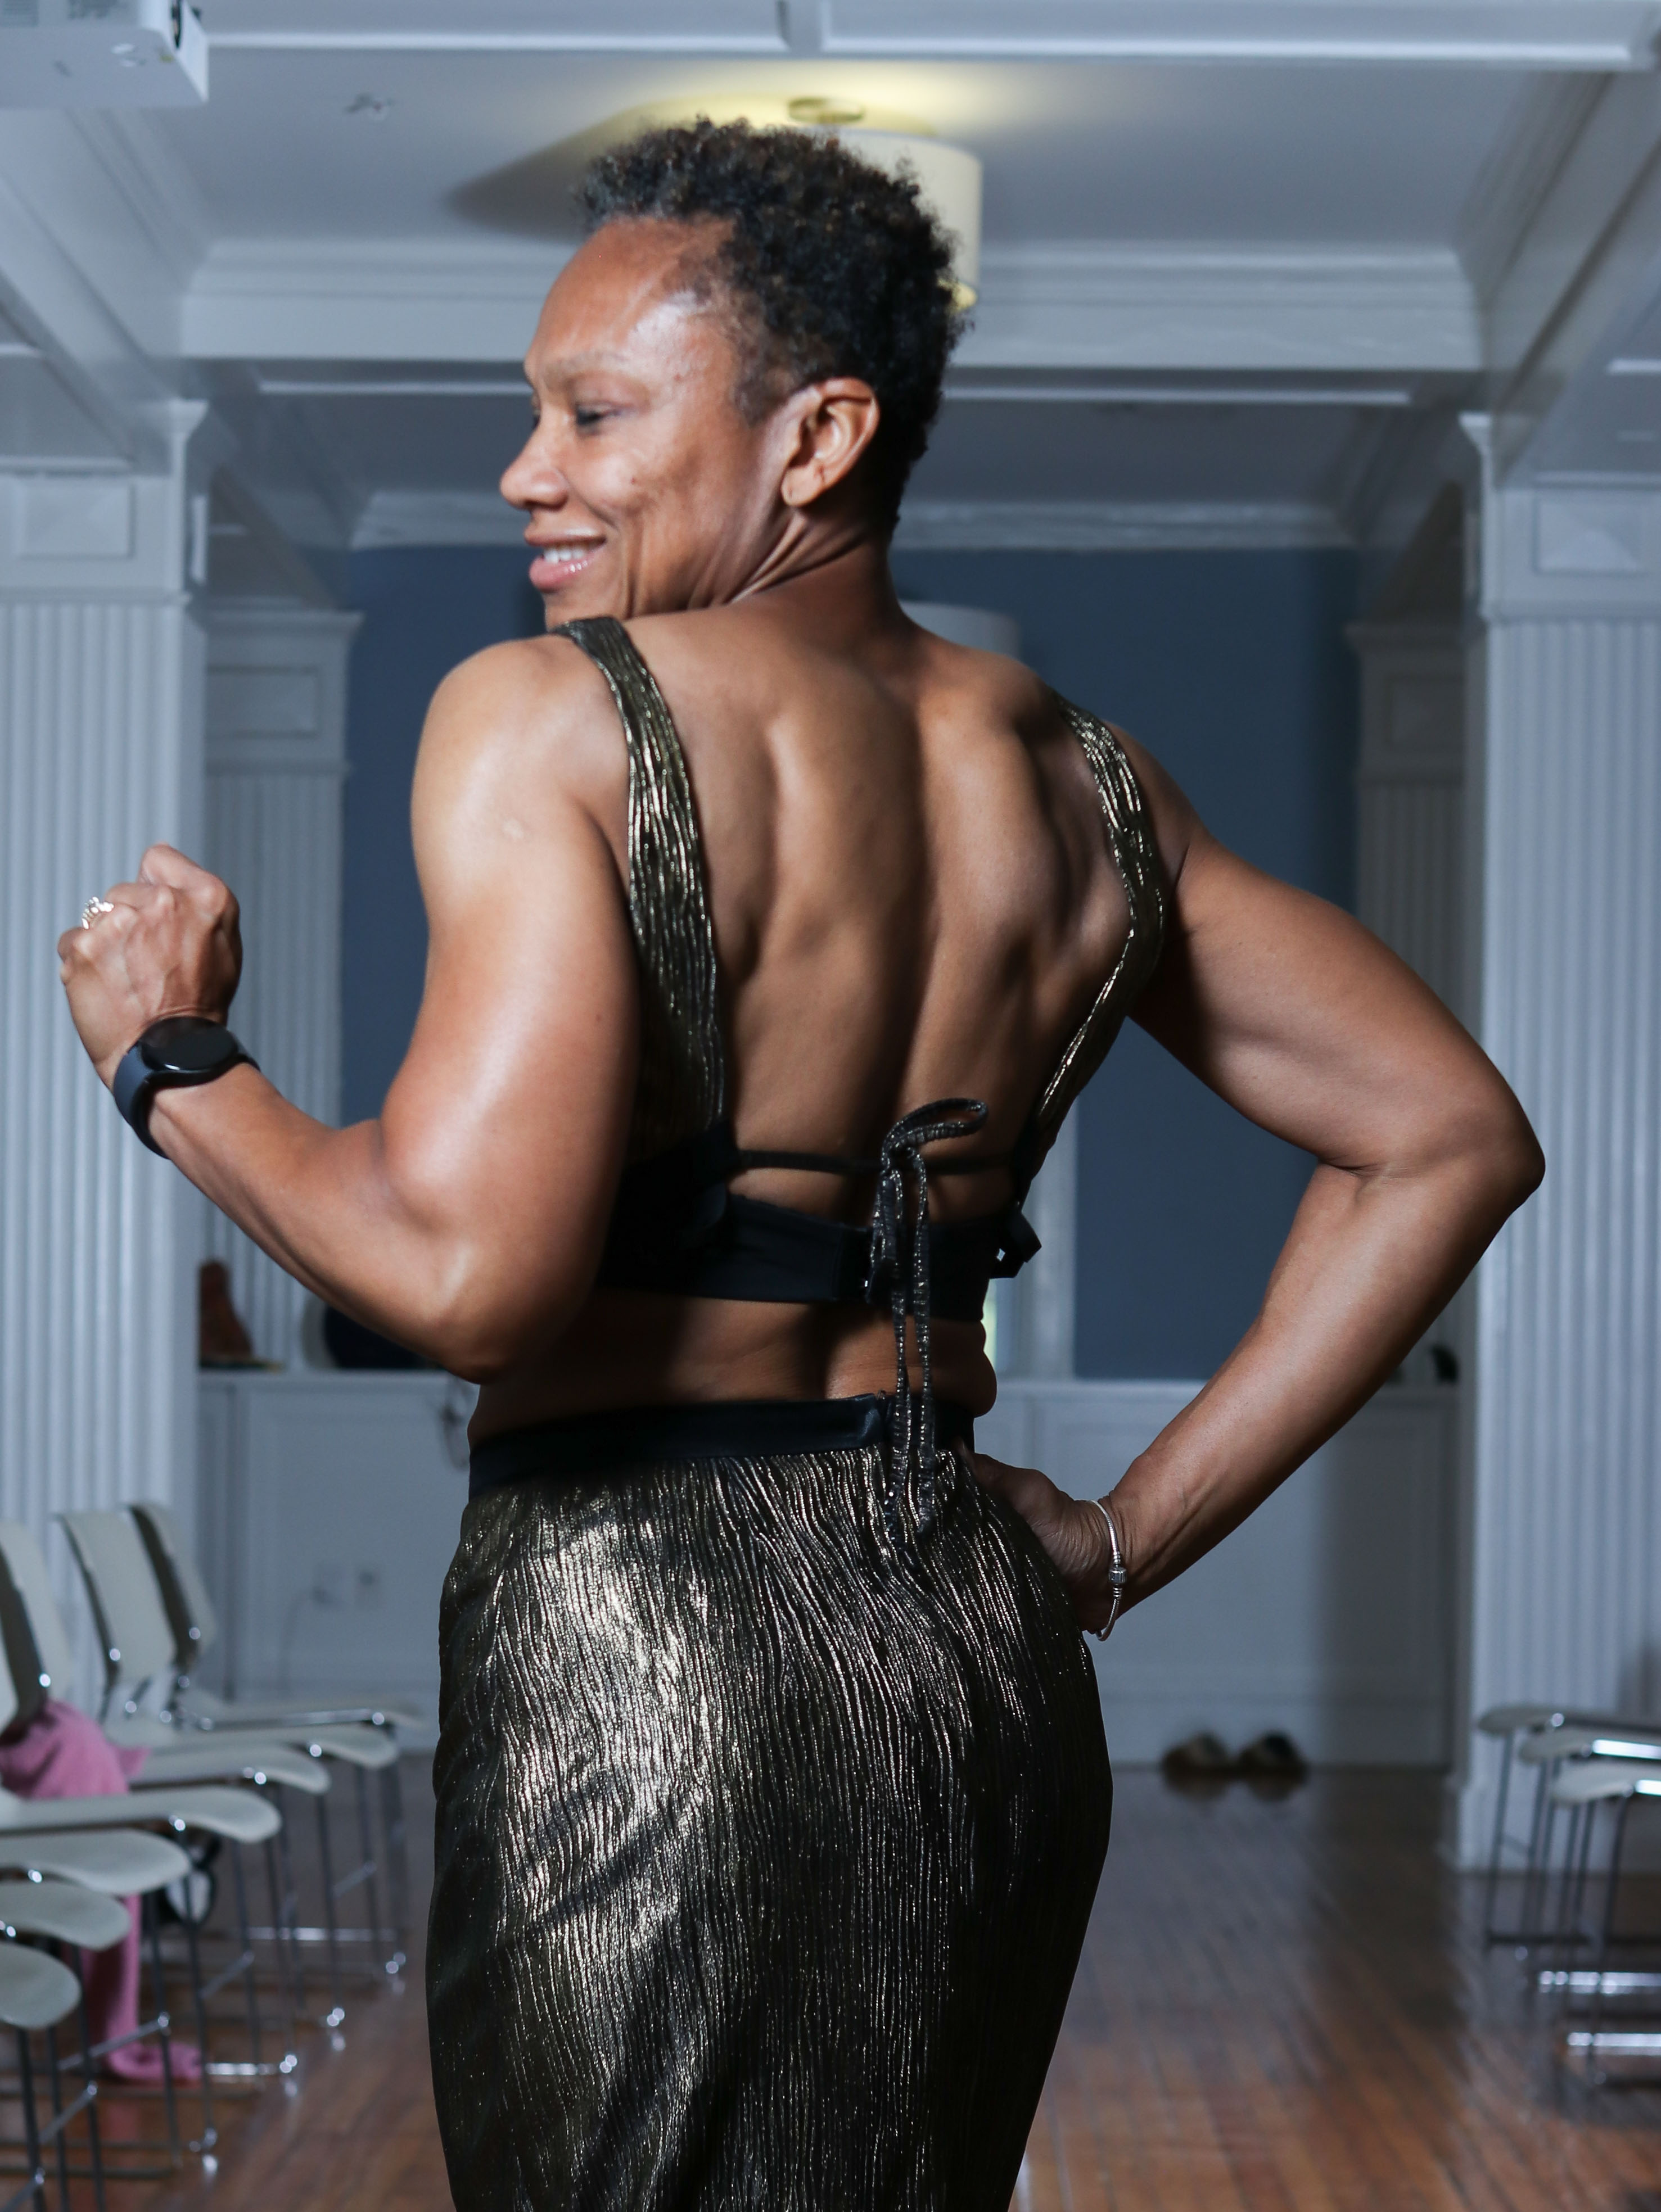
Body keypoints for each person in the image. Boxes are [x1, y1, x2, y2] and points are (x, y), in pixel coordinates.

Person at [58, 122, 1542, 2211]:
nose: (526, 471)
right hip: (977, 1656)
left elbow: (468, 1278)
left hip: (645, 1647)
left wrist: (172, 1061)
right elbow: (1448, 1136)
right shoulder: (1089, 786)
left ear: (818, 436)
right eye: (530, 413)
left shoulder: (550, 716)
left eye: (594, 414)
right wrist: (1118, 1548)